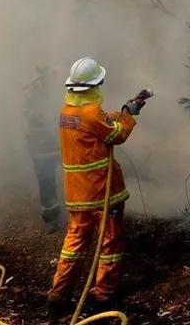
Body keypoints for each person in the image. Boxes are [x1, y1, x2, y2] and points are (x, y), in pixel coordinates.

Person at [46, 57, 148, 318]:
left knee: (75, 243)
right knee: (110, 243)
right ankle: (102, 297)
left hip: (78, 193)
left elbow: (99, 123)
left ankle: (58, 296)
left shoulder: (67, 112)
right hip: (103, 193)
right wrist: (128, 116)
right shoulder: (90, 113)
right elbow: (117, 135)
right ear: (95, 84)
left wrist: (123, 110)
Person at [23, 66, 63, 234]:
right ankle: (51, 219)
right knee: (47, 181)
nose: (57, 74)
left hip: (58, 143)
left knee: (76, 177)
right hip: (43, 146)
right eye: (54, 72)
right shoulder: (34, 92)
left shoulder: (59, 88)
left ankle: (84, 214)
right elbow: (34, 116)